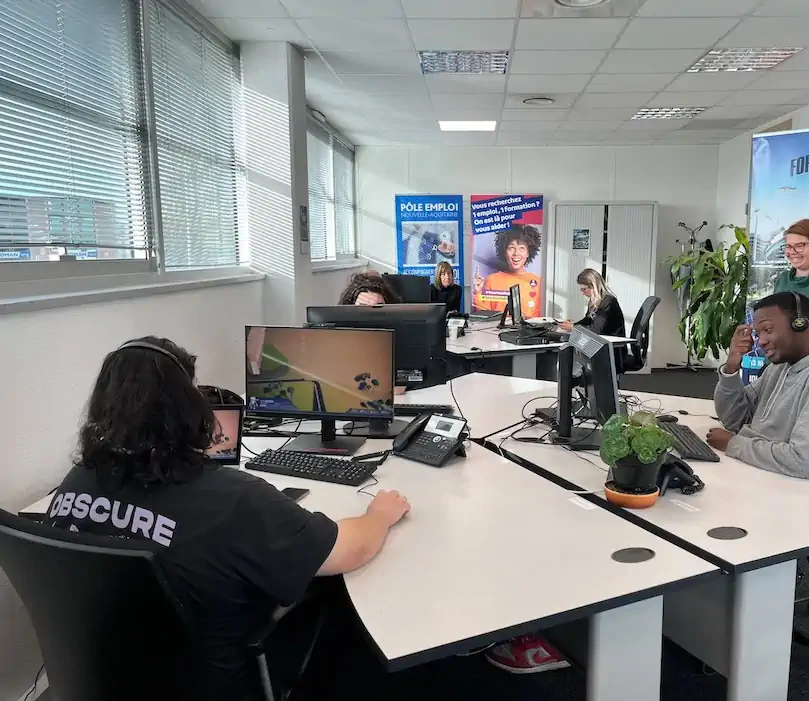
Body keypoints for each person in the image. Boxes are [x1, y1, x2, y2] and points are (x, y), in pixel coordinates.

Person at [44, 337, 410, 701]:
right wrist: (379, 515)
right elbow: (349, 550)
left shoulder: (77, 482)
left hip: (108, 682)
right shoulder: (232, 499)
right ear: (188, 407)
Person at [707, 292, 809, 479]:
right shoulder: (782, 366)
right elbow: (735, 420)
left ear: (801, 324)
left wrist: (734, 444)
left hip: (781, 482)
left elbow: (807, 461)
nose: (761, 341)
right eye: (758, 334)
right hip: (758, 469)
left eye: (768, 330)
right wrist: (731, 367)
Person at [472, 224, 542, 317]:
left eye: (521, 248)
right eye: (511, 248)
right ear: (504, 251)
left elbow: (539, 317)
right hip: (497, 326)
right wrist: (477, 292)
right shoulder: (492, 280)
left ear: (528, 253)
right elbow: (484, 315)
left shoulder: (538, 281)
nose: (516, 253)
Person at [557, 268, 625, 335]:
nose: (583, 293)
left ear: (594, 286)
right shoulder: (594, 300)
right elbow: (588, 320)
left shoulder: (608, 302)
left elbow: (596, 330)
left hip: (611, 341)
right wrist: (573, 325)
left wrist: (573, 327)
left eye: (584, 289)